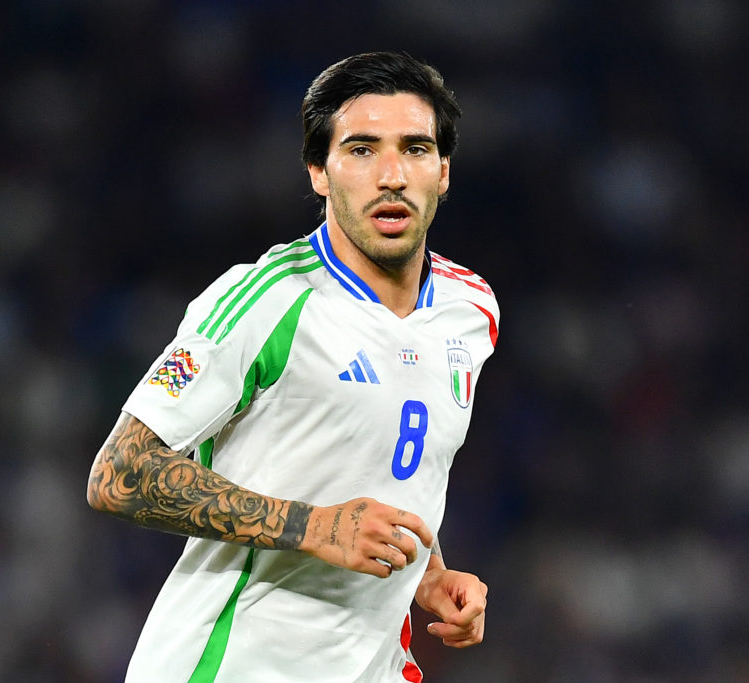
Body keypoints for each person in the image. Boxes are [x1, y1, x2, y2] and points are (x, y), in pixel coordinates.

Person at [86, 51, 499, 682]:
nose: (391, 174)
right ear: (319, 172)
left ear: (442, 172)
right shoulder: (266, 300)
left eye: (414, 149)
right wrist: (315, 527)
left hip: (375, 665)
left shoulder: (471, 309)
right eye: (362, 149)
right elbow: (119, 473)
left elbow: (389, 463)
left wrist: (429, 573)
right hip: (235, 663)